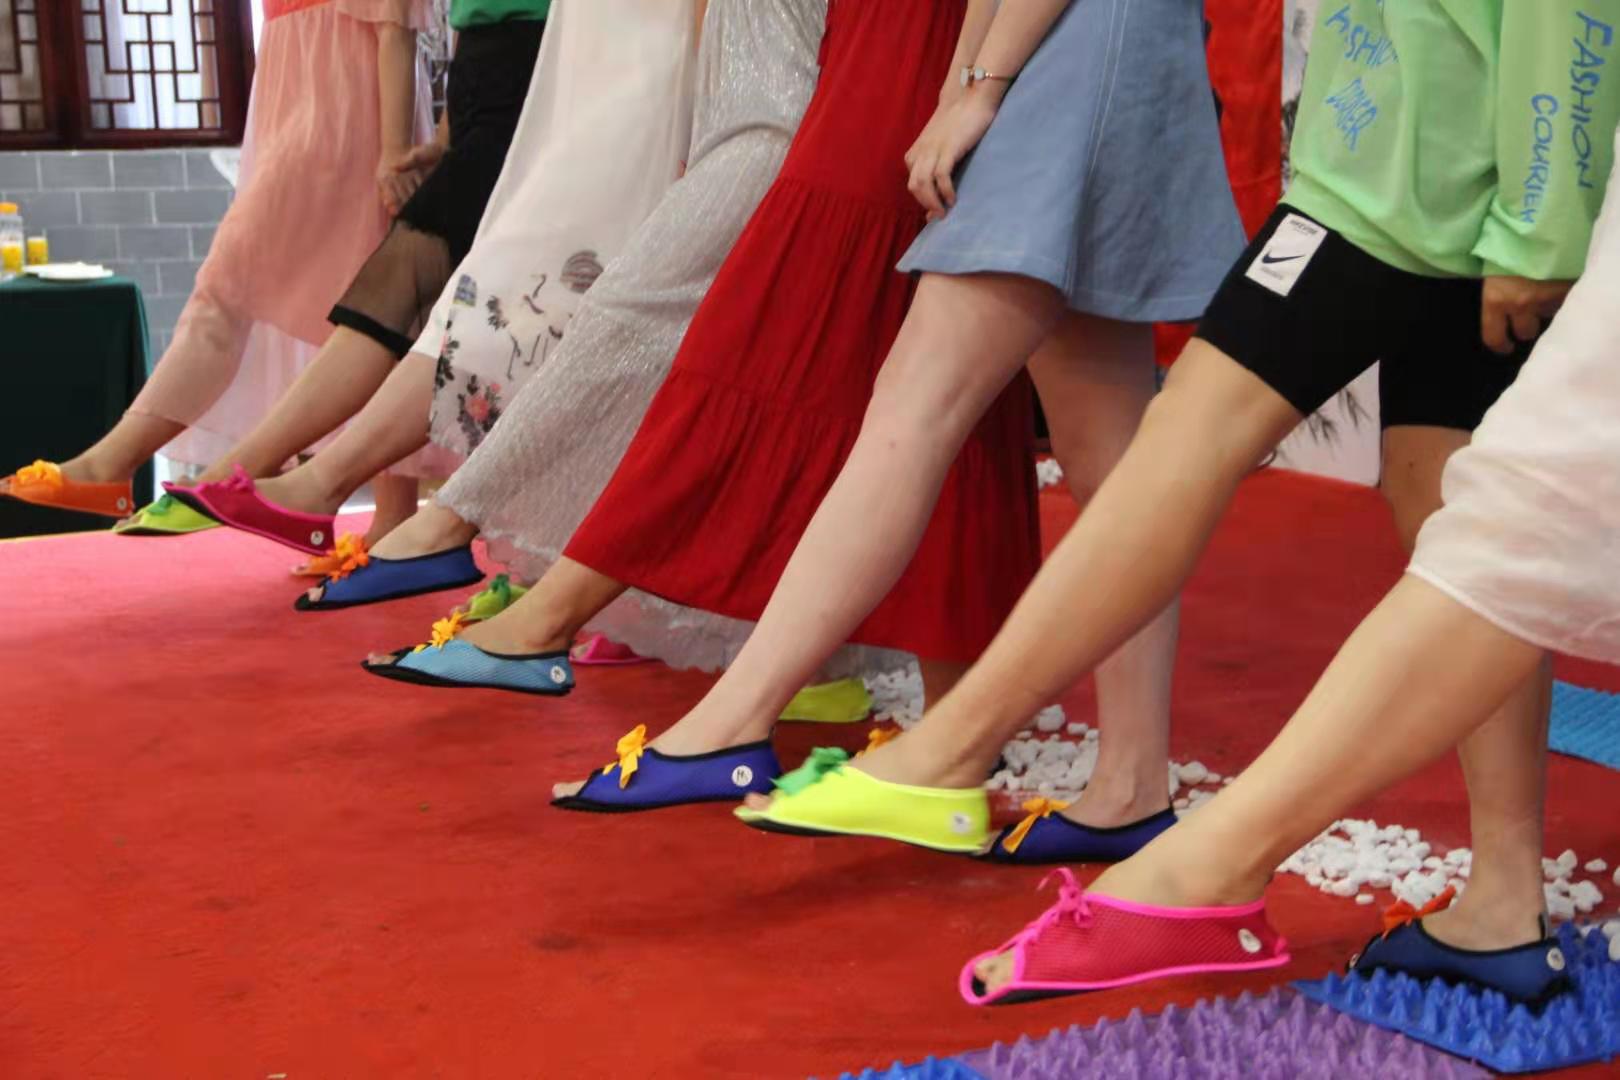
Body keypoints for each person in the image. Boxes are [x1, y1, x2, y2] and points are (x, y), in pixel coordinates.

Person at [749, 0, 1620, 995]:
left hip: (1409, 191)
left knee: (1198, 440)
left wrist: (1542, 227)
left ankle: (957, 748)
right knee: (1457, 531)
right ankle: (1502, 902)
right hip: (1420, 173)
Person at [547, 0, 1243, 839]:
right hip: (1087, 48)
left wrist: (980, 86)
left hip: (1071, 52)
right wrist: (963, 84)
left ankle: (734, 722)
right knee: (1106, 456)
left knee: (919, 403)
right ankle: (1131, 784)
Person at [963, 119, 1620, 1005]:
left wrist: (1536, 227)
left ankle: (1200, 863)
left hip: (1419, 194)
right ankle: (1193, 853)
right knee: (1505, 518)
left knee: (1521, 522)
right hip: (1385, 185)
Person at [361, 0, 1042, 790]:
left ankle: (557, 614)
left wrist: (972, 84)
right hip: (845, 65)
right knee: (879, 383)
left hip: (895, 69)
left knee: (803, 366)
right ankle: (949, 722)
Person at [163, 0, 701, 569]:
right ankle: (353, 494)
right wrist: (451, 127)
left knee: (502, 298)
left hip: (619, 86)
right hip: (546, 83)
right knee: (476, 300)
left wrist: (698, 119)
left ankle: (377, 501)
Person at [114, 0, 551, 549]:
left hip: (538, 77)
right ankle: (294, 483)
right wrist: (444, 136)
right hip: (480, 88)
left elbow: (399, 26)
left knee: (413, 292)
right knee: (427, 309)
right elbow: (467, 21)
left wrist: (397, 147)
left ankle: (275, 477)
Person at [0, 0, 440, 525]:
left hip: (343, 111)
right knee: (375, 317)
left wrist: (393, 151)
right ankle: (391, 524)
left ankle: (112, 463)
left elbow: (395, 24)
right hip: (294, 101)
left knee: (249, 294)